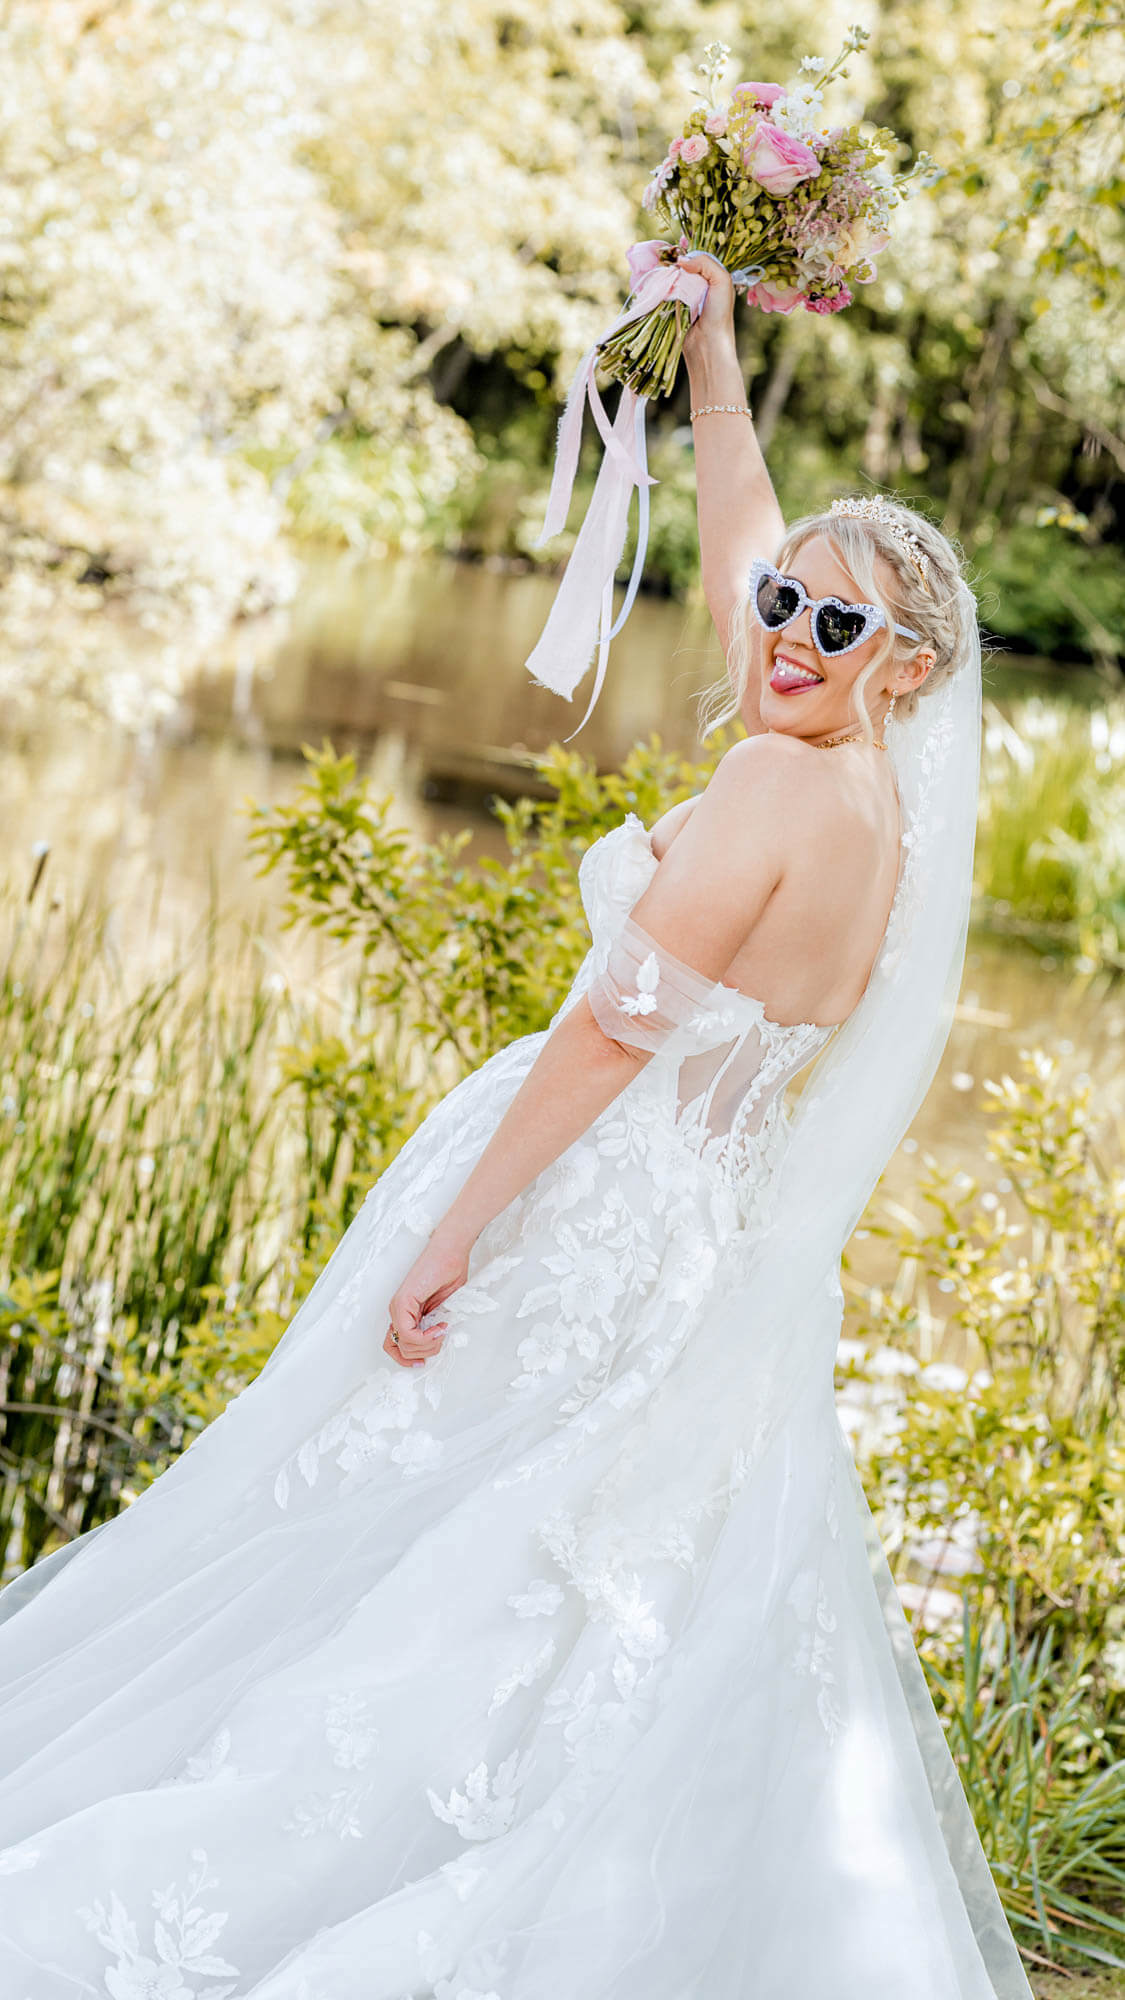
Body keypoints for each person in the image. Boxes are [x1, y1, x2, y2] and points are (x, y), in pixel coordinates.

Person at [0, 260, 1034, 2000]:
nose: (781, 631)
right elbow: (742, 548)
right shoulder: (875, 805)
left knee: (390, 1527)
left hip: (582, 1198)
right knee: (546, 1558)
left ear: (907, 666)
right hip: (691, 1230)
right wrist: (715, 354)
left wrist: (458, 1226)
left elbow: (615, 1032)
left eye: (830, 625)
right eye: (787, 604)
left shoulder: (779, 779)